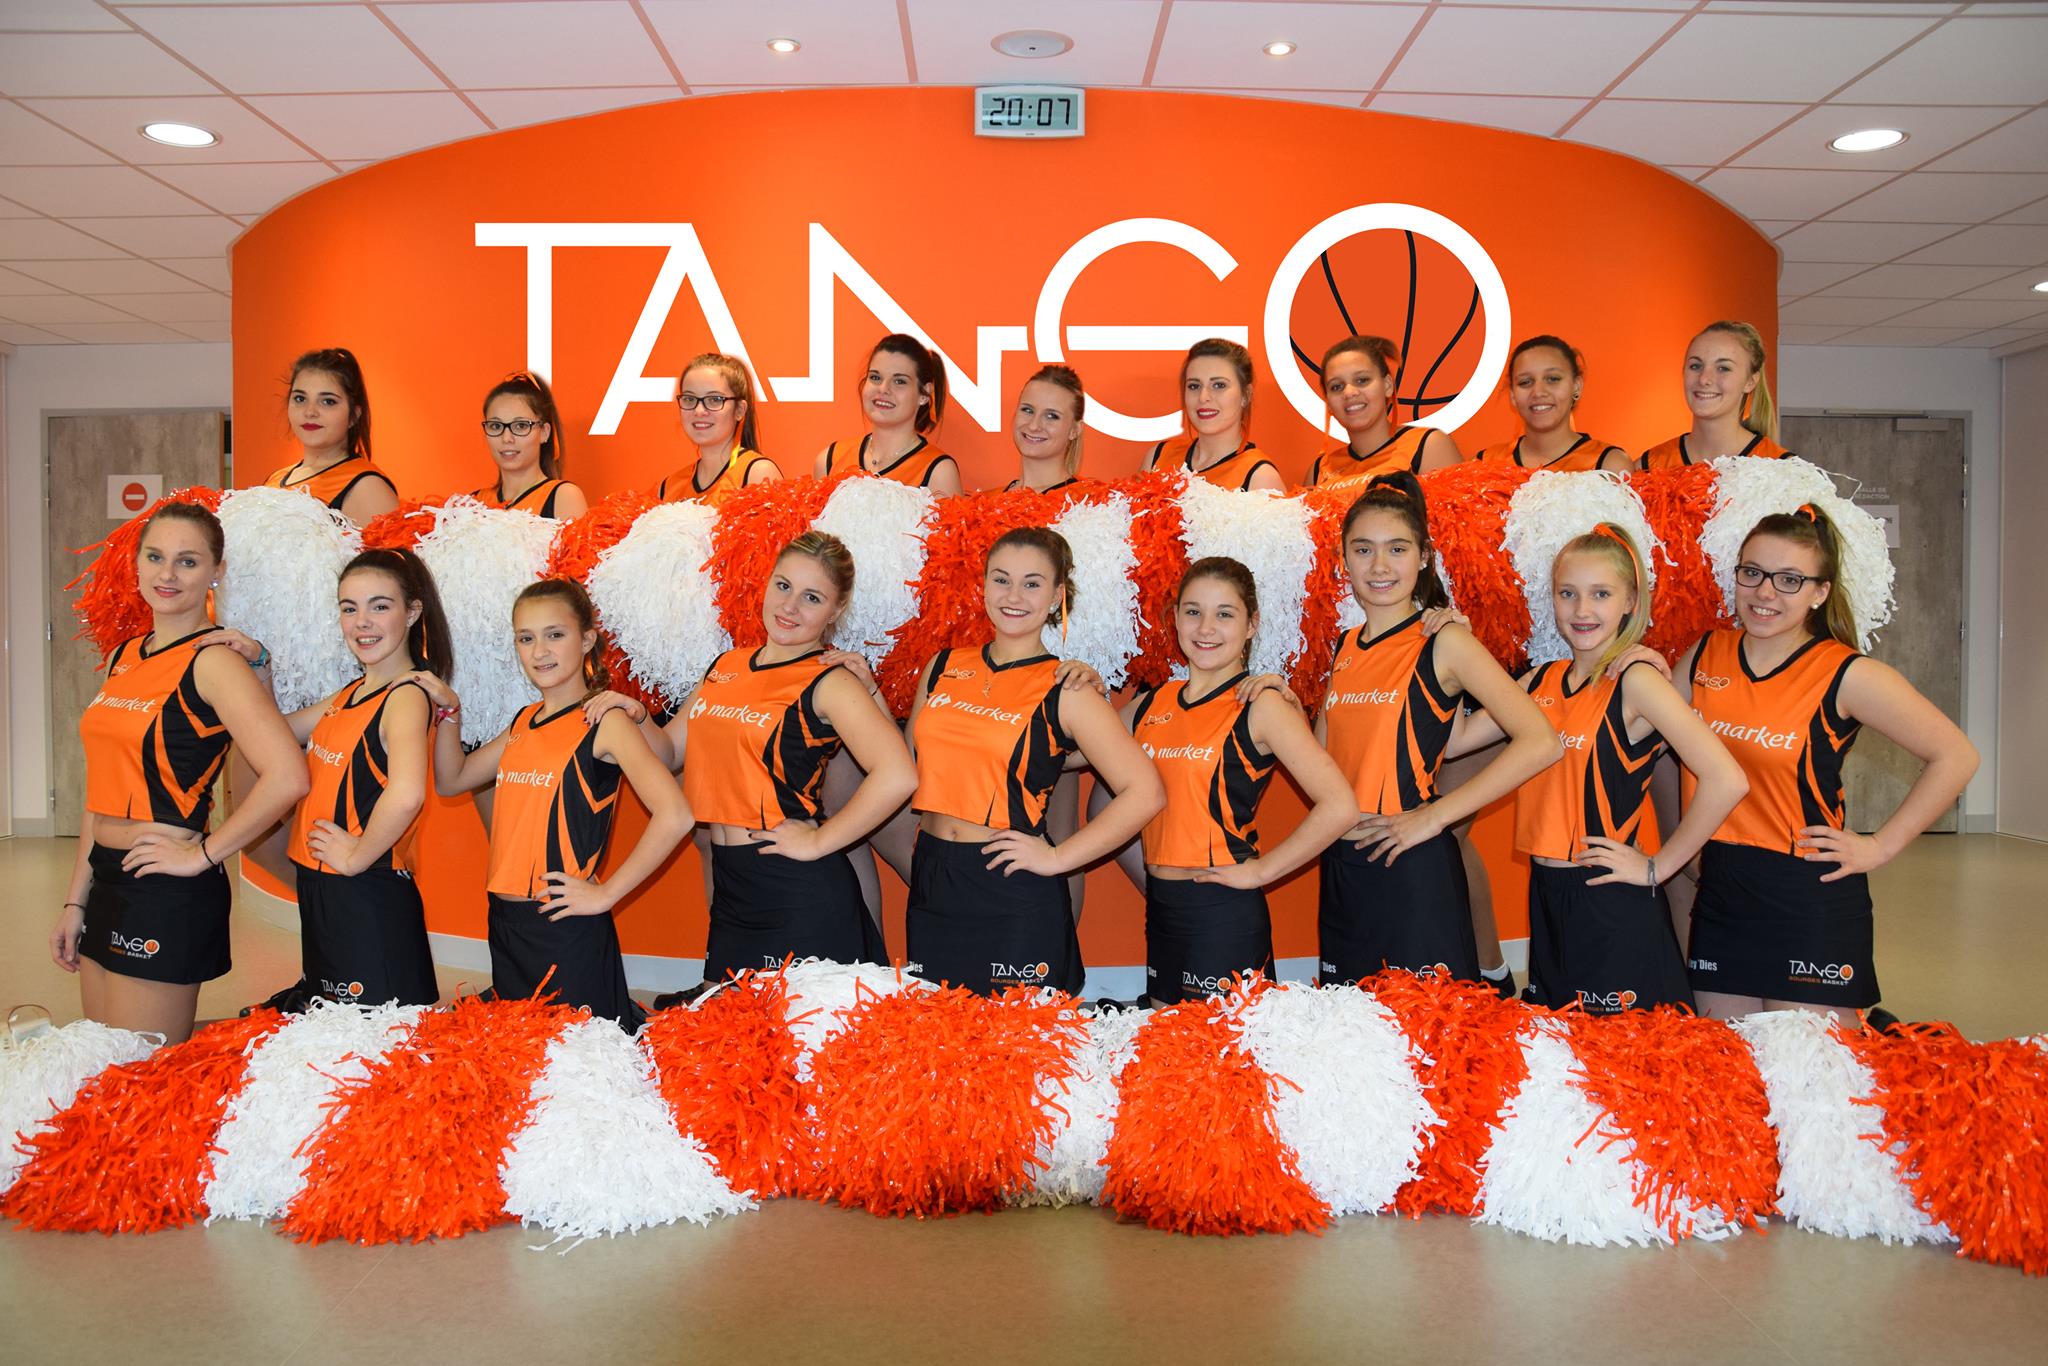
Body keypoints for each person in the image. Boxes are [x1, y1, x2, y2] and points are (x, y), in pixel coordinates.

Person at [1660, 507, 1975, 1025]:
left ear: (1819, 593)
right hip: (1722, 890)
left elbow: (1956, 755)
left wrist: (1880, 845)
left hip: (1806, 891)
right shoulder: (1705, 654)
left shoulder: (1846, 673)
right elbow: (1644, 735)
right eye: (1752, 572)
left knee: (1811, 1066)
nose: (1765, 592)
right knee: (1729, 1062)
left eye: (1789, 580)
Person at [583, 533, 916, 986]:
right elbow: (669, 751)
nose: (790, 606)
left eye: (812, 597)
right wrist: (634, 714)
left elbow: (897, 774)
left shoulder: (830, 680)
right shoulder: (726, 666)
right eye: (783, 586)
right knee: (731, 1024)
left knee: (805, 1027)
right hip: (732, 888)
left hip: (796, 888)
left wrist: (820, 841)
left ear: (836, 611)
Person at [1445, 526, 1745, 1013]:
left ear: (1630, 602)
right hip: (1546, 895)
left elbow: (1726, 779)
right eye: (1568, 594)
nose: (1582, 610)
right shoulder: (1541, 680)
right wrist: (1453, 646)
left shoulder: (1637, 680)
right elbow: (1455, 741)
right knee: (1564, 1046)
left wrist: (1658, 868)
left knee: (1626, 1053)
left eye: (1601, 594)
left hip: (1610, 902)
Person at [50, 503, 309, 1043]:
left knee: (142, 1075)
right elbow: (100, 791)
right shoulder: (124, 656)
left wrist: (204, 855)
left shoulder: (214, 661)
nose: (167, 574)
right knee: (101, 1063)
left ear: (216, 571)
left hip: (164, 888)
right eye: (155, 557)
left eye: (187, 561)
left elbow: (288, 775)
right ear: (137, 564)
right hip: (105, 878)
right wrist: (76, 900)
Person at [894, 528, 1164, 995]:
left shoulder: (1067, 687)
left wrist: (1059, 858)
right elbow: (907, 763)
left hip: (1012, 885)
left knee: (1017, 1037)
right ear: (983, 586)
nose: (1014, 596)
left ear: (1057, 596)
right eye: (1001, 580)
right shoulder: (941, 667)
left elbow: (1146, 792)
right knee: (940, 1030)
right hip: (935, 877)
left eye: (1032, 583)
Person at [1317, 472, 1561, 985]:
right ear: (1343, 560)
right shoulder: (1344, 647)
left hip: (1412, 867)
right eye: (1363, 549)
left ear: (1424, 557)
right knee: (1349, 1026)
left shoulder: (1445, 641)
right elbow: (1325, 762)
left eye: (1397, 549)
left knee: (1429, 1031)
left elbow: (1541, 742)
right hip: (1343, 868)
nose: (1379, 565)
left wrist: (1436, 818)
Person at [420, 579, 688, 1027]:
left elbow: (676, 815)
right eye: (526, 638)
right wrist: (450, 713)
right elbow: (452, 781)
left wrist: (606, 894)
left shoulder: (605, 721)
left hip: (564, 926)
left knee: (577, 1057)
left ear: (586, 640)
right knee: (520, 1052)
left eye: (555, 635)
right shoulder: (524, 721)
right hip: (506, 922)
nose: (539, 651)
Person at [1110, 558, 1356, 1003]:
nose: (1206, 628)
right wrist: (1075, 683)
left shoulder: (1262, 704)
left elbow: (1340, 805)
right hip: (1162, 908)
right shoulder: (1151, 703)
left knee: (1223, 1045)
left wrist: (1262, 871)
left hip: (1223, 911)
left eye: (1224, 614)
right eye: (1193, 611)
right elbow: (1072, 753)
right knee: (1166, 1040)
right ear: (1175, 618)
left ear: (1251, 625)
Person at [215, 549, 452, 1012]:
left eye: (379, 606)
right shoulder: (351, 694)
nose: (362, 622)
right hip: (327, 892)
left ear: (412, 612)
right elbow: (273, 734)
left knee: (373, 1046)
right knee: (332, 1037)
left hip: (367, 896)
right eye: (349, 608)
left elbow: (407, 795)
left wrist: (357, 856)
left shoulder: (406, 696)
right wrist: (261, 667)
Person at [1300, 335, 1461, 490]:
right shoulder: (1318, 472)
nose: (1349, 392)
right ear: (1328, 403)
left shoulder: (1427, 446)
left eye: (1362, 380)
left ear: (1388, 385)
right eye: (1336, 387)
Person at [263, 347, 401, 526]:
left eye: (328, 401)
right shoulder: (275, 479)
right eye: (300, 399)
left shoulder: (368, 488)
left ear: (354, 415)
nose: (310, 412)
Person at [813, 334, 962, 494]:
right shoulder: (829, 460)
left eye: (899, 381)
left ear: (924, 394)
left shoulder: (939, 472)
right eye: (875, 377)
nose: (883, 389)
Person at [1639, 321, 1795, 469]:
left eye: (1723, 368)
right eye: (1695, 366)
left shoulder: (1783, 470)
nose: (1704, 379)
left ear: (1750, 382)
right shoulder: (1649, 466)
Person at [1140, 339, 1284, 492]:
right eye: (1194, 386)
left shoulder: (1261, 477)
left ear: (1246, 395)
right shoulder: (1159, 457)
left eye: (1219, 385)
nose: (1203, 397)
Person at [1472, 336, 1632, 472]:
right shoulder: (1485, 463)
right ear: (1513, 395)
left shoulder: (1609, 465)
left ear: (1576, 386)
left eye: (1553, 379)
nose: (1538, 392)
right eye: (1525, 382)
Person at [656, 353, 781, 507]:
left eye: (715, 399)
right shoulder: (668, 488)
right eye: (689, 399)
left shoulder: (758, 475)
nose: (699, 410)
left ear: (740, 410)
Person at [469, 371, 589, 519]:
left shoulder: (563, 496)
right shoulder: (473, 503)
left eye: (521, 426)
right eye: (496, 426)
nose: (507, 438)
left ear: (544, 432)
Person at [1003, 364, 1092, 495]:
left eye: (1051, 416)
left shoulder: (1088, 502)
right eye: (1027, 410)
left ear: (1075, 430)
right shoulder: (985, 501)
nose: (1034, 426)